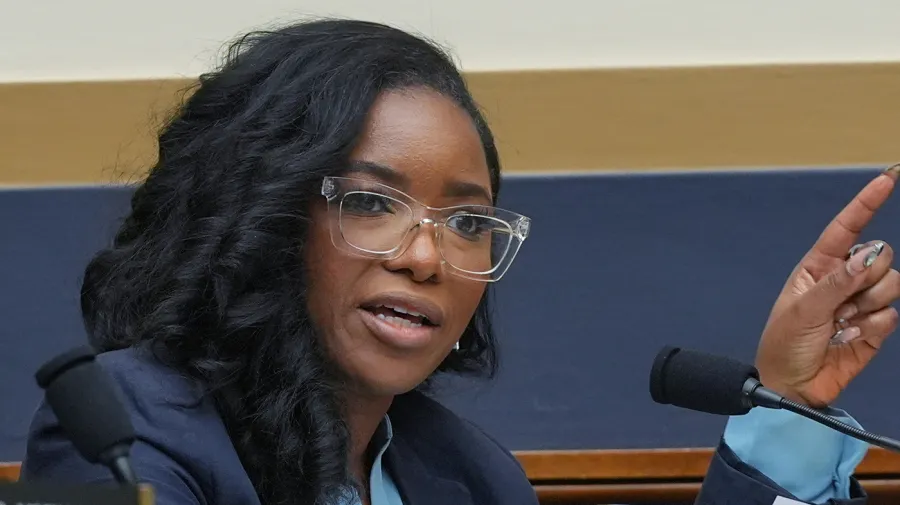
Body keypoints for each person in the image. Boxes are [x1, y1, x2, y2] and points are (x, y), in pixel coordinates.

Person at [19, 18, 900, 505]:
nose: (426, 255)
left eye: (469, 221)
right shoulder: (125, 431)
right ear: (265, 218)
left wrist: (787, 403)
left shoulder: (472, 477)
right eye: (372, 203)